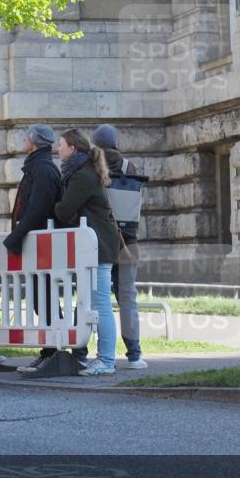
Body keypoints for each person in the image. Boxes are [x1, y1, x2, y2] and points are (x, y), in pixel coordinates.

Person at [54, 128, 121, 376]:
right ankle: (94, 357)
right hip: (97, 243)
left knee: (100, 303)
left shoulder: (82, 176)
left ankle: (106, 360)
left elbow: (64, 210)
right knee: (93, 302)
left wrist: (56, 205)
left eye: (61, 144)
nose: (58, 149)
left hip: (98, 245)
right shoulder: (84, 171)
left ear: (72, 148)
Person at [4, 125, 63, 372]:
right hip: (37, 242)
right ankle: (50, 350)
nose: (23, 140)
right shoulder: (37, 167)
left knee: (45, 298)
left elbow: (37, 209)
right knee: (41, 298)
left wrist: (16, 236)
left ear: (34, 141)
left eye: (26, 137)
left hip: (42, 244)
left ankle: (55, 351)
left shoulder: (43, 169)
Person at [92, 124, 148, 369]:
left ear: (96, 143)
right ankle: (134, 354)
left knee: (96, 299)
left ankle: (89, 352)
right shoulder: (129, 167)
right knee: (127, 297)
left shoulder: (92, 166)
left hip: (101, 242)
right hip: (129, 242)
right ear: (116, 143)